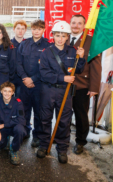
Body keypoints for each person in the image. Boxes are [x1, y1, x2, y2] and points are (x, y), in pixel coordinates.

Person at [36, 21, 85, 164]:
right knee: (45, 119)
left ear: (67, 37)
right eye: (57, 35)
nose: (60, 39)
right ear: (53, 36)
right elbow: (43, 73)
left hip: (65, 92)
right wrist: (62, 77)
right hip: (48, 90)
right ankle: (44, 145)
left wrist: (81, 58)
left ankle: (62, 148)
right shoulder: (46, 52)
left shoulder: (72, 51)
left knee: (64, 121)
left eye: (63, 36)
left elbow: (79, 70)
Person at [68, 14, 101, 155]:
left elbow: (96, 65)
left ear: (84, 25)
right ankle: (62, 137)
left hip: (82, 85)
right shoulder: (63, 38)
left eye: (79, 23)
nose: (75, 25)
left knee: (81, 115)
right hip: (64, 84)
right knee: (63, 114)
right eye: (73, 22)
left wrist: (94, 87)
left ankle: (80, 141)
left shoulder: (91, 41)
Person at [16, 19, 51, 147]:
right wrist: (25, 78)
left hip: (39, 85)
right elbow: (18, 63)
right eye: (34, 29)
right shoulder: (24, 44)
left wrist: (33, 79)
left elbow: (48, 67)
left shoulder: (48, 45)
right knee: (24, 109)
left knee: (38, 111)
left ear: (44, 30)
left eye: (39, 29)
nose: (37, 31)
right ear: (31, 30)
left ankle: (37, 136)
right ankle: (25, 131)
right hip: (24, 84)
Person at [0, 82, 26, 165]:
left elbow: (21, 120)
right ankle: (5, 139)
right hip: (3, 129)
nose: (7, 93)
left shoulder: (18, 103)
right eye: (5, 91)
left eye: (9, 91)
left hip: (14, 127)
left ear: (13, 93)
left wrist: (3, 125)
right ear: (1, 91)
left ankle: (14, 149)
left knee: (20, 130)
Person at [10, 20, 27, 97]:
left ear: (25, 30)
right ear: (14, 29)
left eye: (22, 29)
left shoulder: (28, 45)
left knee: (20, 103)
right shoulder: (8, 44)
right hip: (9, 78)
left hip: (22, 80)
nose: (20, 31)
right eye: (18, 28)